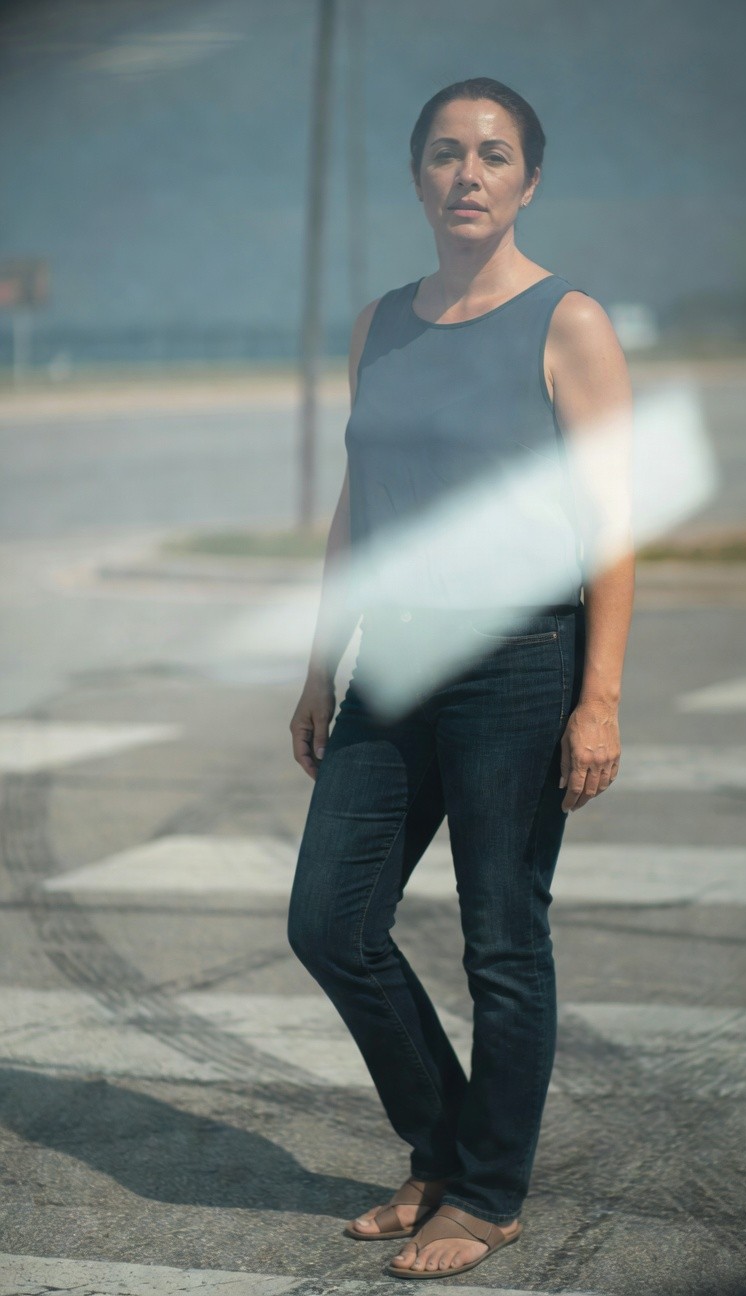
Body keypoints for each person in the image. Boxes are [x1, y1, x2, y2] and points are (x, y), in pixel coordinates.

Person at [287, 76, 634, 1279]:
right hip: (392, 662)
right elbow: (356, 503)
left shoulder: (568, 320)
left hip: (519, 665)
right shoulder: (380, 320)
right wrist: (321, 660)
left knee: (501, 942)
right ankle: (441, 1147)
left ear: (529, 179)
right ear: (419, 176)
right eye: (446, 153)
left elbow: (613, 527)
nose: (468, 173)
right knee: (328, 923)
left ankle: (485, 1197)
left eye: (493, 154)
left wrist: (600, 697)